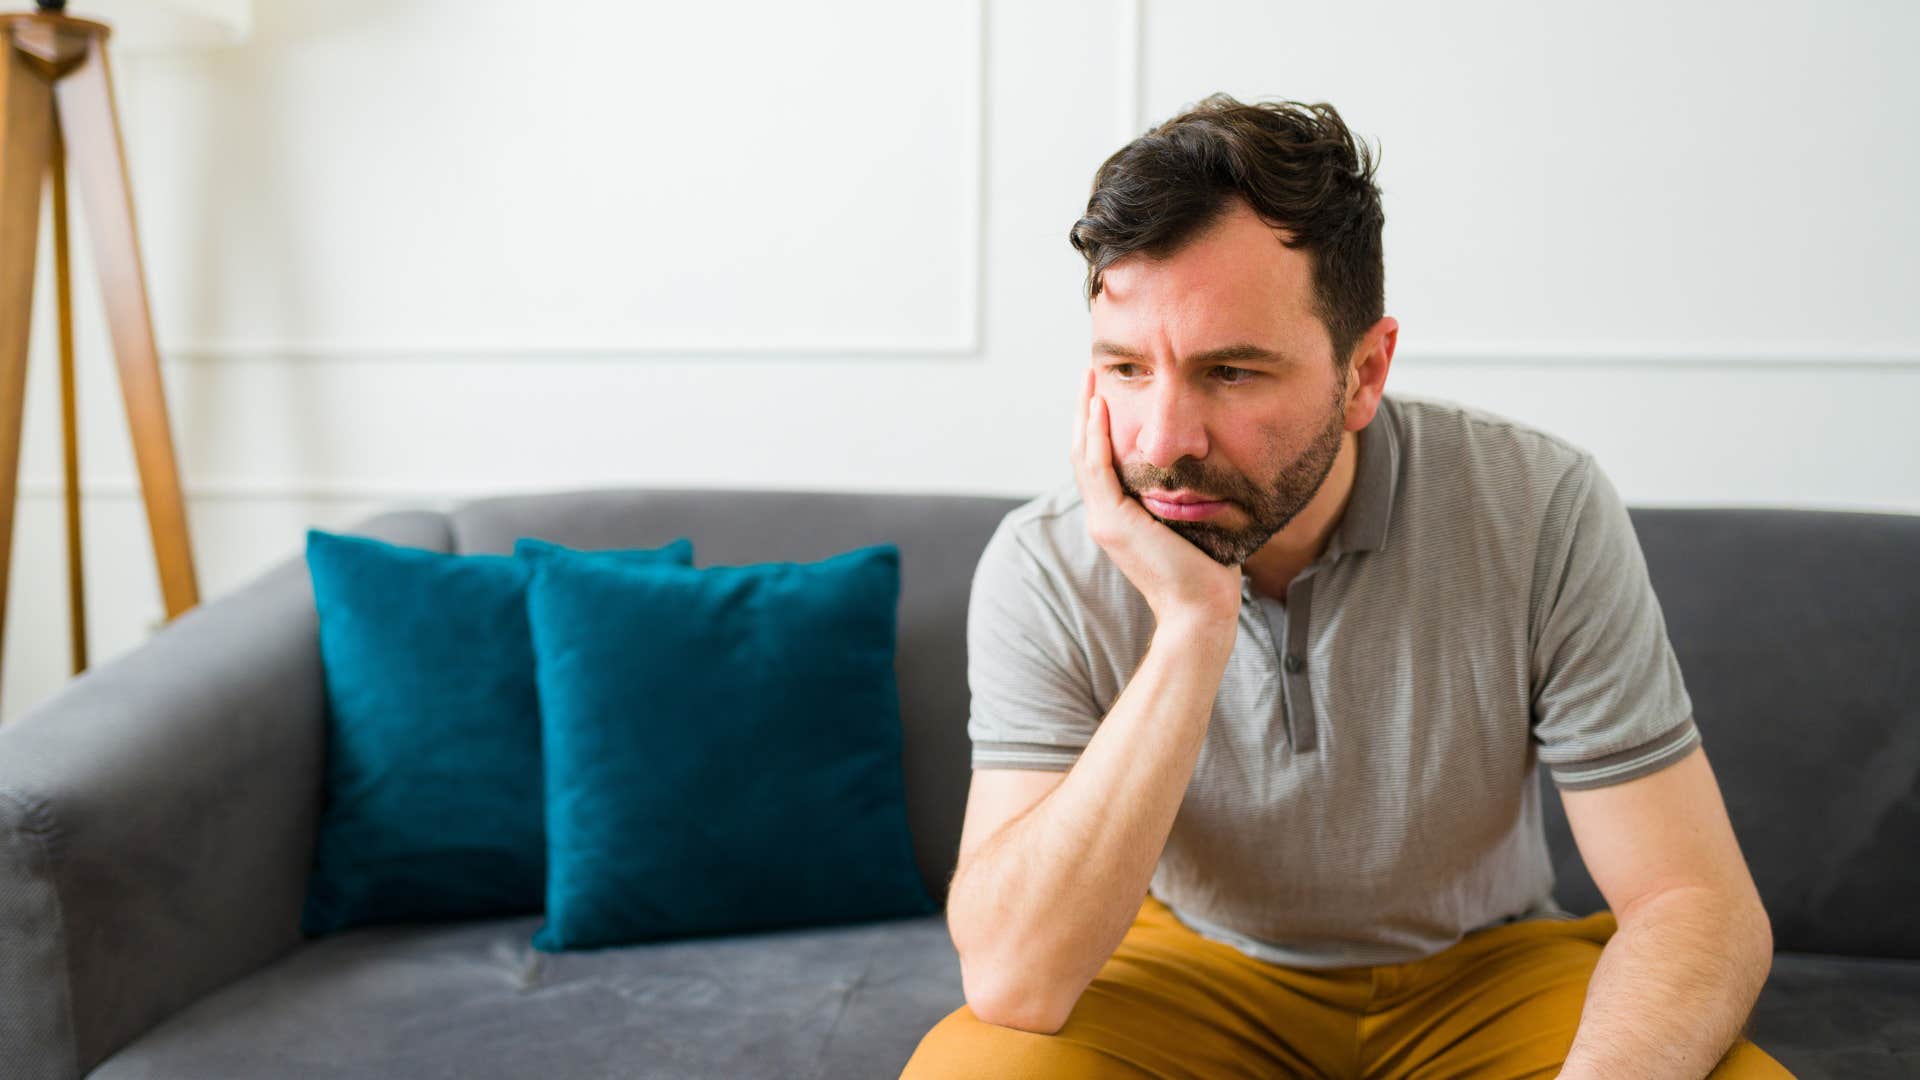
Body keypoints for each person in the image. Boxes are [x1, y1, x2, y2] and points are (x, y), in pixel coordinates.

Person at [900, 93, 1794, 1079]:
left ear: (1364, 371)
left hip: (1487, 975)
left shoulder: (1541, 507)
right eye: (1124, 368)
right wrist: (1193, 624)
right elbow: (1015, 981)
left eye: (1231, 372)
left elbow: (1694, 903)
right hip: (1192, 974)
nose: (1162, 444)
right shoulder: (1045, 562)